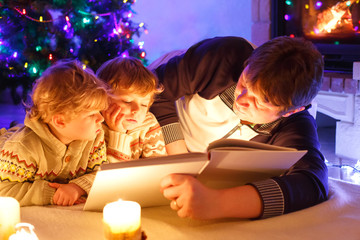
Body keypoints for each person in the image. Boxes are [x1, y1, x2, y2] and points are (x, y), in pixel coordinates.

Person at [148, 36, 328, 219]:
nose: (240, 100)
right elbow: (155, 91)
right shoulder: (223, 55)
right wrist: (181, 160)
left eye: (259, 102)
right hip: (169, 88)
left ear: (290, 111)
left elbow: (312, 182)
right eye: (243, 84)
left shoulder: (294, 125)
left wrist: (216, 202)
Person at [0, 60, 109, 206]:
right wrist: (51, 193)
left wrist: (77, 187)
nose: (101, 119)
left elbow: (102, 174)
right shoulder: (22, 147)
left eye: (99, 112)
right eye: (91, 115)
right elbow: (4, 190)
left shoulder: (95, 136)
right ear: (60, 121)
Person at [96, 56, 167, 162]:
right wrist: (118, 134)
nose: (137, 110)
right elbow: (110, 176)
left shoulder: (148, 124)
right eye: (127, 101)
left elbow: (158, 168)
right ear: (103, 98)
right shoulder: (95, 125)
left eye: (144, 105)